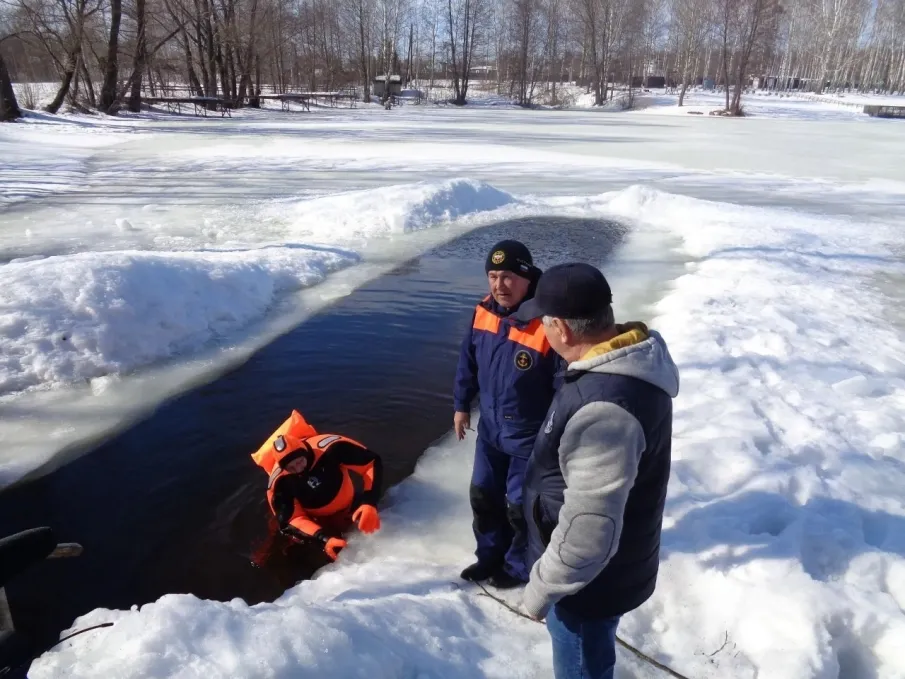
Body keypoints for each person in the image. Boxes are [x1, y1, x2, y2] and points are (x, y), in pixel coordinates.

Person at [515, 262, 680, 679]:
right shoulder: (620, 365)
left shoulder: (605, 409)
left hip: (587, 586)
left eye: (544, 322)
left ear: (562, 329)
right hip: (606, 573)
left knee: (581, 655)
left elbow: (589, 534)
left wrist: (541, 590)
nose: (542, 331)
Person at [453, 239, 562, 589]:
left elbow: (564, 386)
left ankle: (517, 566)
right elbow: (467, 362)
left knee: (520, 506)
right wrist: (461, 404)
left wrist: (557, 435)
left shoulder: (548, 323)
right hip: (490, 430)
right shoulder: (483, 311)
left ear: (528, 278)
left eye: (509, 276)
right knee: (483, 496)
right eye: (493, 276)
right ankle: (489, 556)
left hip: (529, 435)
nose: (500, 285)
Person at [251, 410, 383, 561]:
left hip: (347, 505)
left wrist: (369, 502)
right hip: (313, 519)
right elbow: (291, 520)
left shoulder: (331, 449)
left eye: (300, 462)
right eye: (291, 468)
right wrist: (324, 539)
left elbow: (370, 463)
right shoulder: (280, 482)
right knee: (280, 548)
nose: (298, 469)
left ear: (305, 452)